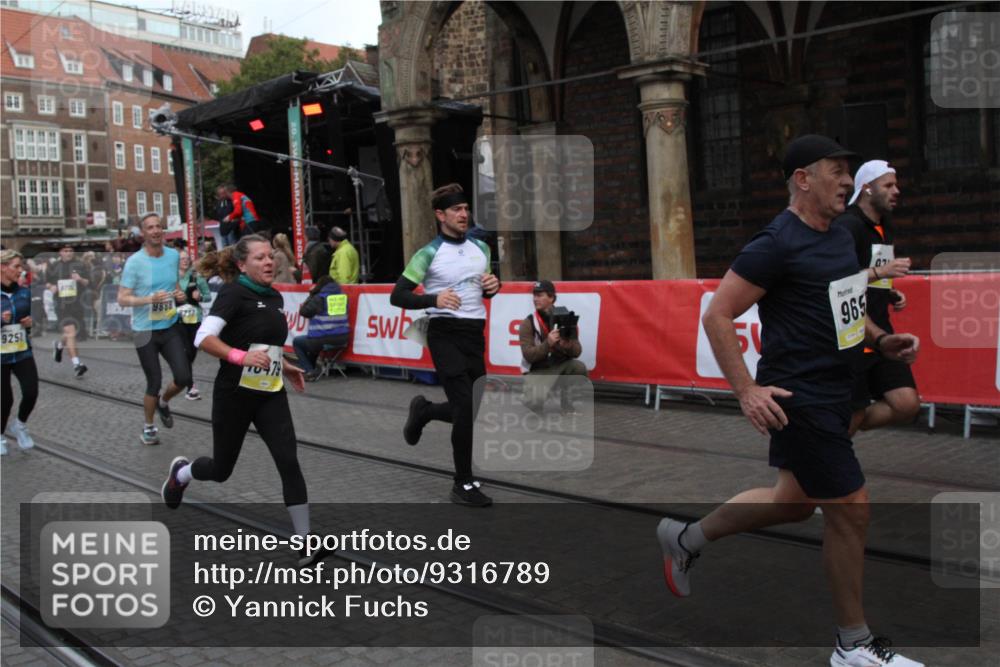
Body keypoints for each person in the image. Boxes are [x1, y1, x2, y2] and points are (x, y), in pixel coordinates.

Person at [658, 135, 923, 667]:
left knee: (796, 502)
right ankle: (853, 646)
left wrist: (878, 337)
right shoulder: (776, 241)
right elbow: (716, 314)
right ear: (803, 179)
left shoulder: (840, 238)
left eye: (849, 172)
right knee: (852, 510)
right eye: (836, 171)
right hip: (797, 395)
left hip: (838, 386)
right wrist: (746, 391)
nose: (847, 181)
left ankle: (685, 538)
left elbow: (845, 300)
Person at [160, 235, 324, 567]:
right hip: (233, 394)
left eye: (271, 257)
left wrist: (286, 365)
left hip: (269, 392)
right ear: (242, 264)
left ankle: (305, 541)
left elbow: (263, 346)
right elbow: (203, 337)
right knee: (221, 470)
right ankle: (182, 474)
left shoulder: (275, 297)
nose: (269, 262)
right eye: (261, 258)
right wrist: (238, 356)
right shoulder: (234, 293)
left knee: (288, 460)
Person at [390, 183, 501, 507]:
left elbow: (486, 287)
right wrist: (433, 297)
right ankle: (463, 483)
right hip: (443, 332)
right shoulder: (428, 253)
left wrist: (495, 286)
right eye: (456, 210)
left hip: (473, 333)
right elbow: (398, 295)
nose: (464, 214)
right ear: (441, 215)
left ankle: (424, 411)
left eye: (466, 208)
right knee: (464, 407)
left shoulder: (482, 248)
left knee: (471, 406)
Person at [833, 160, 920, 436]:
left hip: (882, 332)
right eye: (889, 185)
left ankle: (832, 432)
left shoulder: (885, 226)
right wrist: (881, 271)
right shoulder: (847, 226)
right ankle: (831, 442)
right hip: (854, 335)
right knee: (852, 413)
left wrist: (890, 291)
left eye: (897, 184)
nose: (897, 191)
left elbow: (873, 277)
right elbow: (839, 281)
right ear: (867, 189)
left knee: (906, 404)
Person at [117, 213, 194, 446]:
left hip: (169, 325)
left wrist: (180, 294)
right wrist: (149, 299)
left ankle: (164, 403)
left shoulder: (172, 256)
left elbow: (175, 285)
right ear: (143, 233)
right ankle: (149, 427)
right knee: (154, 381)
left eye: (158, 226)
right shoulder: (135, 263)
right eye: (150, 228)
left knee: (184, 377)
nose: (155, 231)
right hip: (144, 331)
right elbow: (122, 299)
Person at [518, 280, 587, 412]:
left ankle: (566, 403)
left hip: (560, 365)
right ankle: (535, 398)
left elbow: (577, 351)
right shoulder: (528, 323)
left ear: (551, 298)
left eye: (540, 295)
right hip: (539, 369)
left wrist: (568, 346)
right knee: (533, 400)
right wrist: (547, 344)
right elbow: (528, 355)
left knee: (579, 368)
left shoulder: (565, 318)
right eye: (534, 295)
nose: (535, 299)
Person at [2, 250, 38, 455]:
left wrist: (31, 323)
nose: (20, 270)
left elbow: (34, 320)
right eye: (16, 266)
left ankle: (20, 424)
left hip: (22, 350)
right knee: (5, 399)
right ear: (3, 267)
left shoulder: (24, 292)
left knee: (31, 391)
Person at [292, 275, 350, 382]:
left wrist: (311, 294)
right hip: (342, 339)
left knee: (298, 342)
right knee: (313, 343)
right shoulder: (342, 297)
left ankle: (308, 370)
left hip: (323, 338)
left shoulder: (319, 298)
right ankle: (313, 368)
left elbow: (304, 312)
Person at [47, 244, 90, 377]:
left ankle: (59, 345)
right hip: (61, 304)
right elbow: (47, 283)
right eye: (66, 251)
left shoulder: (80, 265)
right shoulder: (53, 266)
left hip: (77, 303)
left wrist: (80, 279)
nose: (69, 253)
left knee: (71, 332)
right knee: (70, 332)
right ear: (60, 252)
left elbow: (88, 282)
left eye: (71, 251)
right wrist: (52, 288)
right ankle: (77, 364)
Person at [177, 252, 212, 400]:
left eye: (187, 259)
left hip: (194, 318)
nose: (185, 261)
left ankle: (182, 374)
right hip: (178, 319)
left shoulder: (197, 277)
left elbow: (208, 296)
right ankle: (190, 387)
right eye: (182, 259)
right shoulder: (172, 278)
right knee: (186, 352)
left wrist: (201, 297)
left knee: (191, 352)